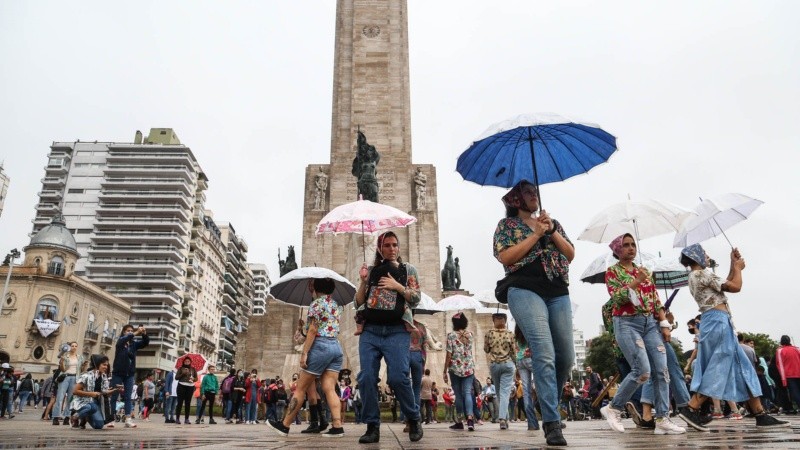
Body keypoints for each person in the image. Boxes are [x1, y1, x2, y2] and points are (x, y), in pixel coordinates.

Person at [492, 180, 574, 446]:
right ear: (516, 200)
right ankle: (551, 422)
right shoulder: (507, 226)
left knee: (566, 357)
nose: (533, 196)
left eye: (534, 192)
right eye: (527, 192)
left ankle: (546, 399)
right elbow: (506, 258)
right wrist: (535, 234)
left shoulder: (552, 223)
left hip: (557, 290)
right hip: (524, 288)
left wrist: (551, 231)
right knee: (544, 350)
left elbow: (570, 254)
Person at [676, 244, 788, 430]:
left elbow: (725, 282)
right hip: (718, 322)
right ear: (695, 257)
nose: (707, 255)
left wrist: (732, 264)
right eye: (704, 253)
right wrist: (738, 268)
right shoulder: (701, 274)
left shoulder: (697, 276)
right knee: (718, 367)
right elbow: (735, 286)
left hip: (717, 322)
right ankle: (691, 408)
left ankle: (759, 413)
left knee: (745, 367)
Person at [601, 233, 685, 435]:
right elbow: (617, 299)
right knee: (642, 370)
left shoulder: (643, 271)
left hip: (649, 323)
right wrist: (635, 282)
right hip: (627, 323)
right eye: (626, 245)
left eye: (633, 245)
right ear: (617, 250)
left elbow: (655, 299)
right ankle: (614, 407)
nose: (631, 248)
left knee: (661, 370)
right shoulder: (612, 272)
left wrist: (664, 322)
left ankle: (663, 417)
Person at [353, 231, 423, 444]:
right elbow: (358, 303)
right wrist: (363, 282)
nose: (392, 249)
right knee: (366, 378)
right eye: (387, 245)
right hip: (371, 331)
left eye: (395, 245)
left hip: (396, 330)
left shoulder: (408, 269)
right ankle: (372, 426)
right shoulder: (372, 271)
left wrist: (397, 286)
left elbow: (416, 298)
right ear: (379, 248)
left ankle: (413, 417)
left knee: (398, 378)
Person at [267, 277, 345, 438]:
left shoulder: (316, 304)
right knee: (329, 388)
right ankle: (337, 426)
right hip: (335, 347)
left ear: (315, 287)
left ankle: (285, 425)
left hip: (320, 346)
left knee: (301, 387)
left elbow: (313, 330)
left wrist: (305, 353)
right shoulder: (335, 304)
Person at [109, 324, 149, 428]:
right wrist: (135, 333)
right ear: (123, 332)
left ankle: (128, 419)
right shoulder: (120, 342)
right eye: (128, 330)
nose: (130, 332)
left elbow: (145, 343)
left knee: (128, 397)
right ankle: (111, 419)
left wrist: (144, 334)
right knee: (114, 396)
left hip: (129, 374)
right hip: (118, 373)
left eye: (131, 330)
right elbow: (125, 338)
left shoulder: (133, 345)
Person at [443, 312, 476, 431]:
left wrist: (444, 370)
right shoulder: (470, 335)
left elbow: (449, 354)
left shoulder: (451, 335)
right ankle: (470, 419)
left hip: (455, 368)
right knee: (467, 393)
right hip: (468, 368)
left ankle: (460, 421)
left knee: (458, 395)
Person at [484, 312, 517, 430]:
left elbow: (486, 349)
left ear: (493, 320)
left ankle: (504, 418)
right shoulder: (510, 334)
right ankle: (503, 419)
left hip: (494, 365)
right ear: (505, 320)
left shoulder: (489, 333)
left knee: (499, 393)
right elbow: (514, 352)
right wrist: (516, 365)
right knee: (504, 393)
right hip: (507, 364)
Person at [69, 354, 118, 430]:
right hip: (83, 402)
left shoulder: (103, 376)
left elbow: (103, 392)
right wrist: (90, 394)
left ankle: (85, 417)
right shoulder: (86, 376)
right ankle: (74, 417)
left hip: (96, 402)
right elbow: (75, 391)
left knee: (99, 425)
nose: (106, 367)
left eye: (107, 365)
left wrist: (112, 391)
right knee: (92, 407)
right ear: (97, 364)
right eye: (104, 365)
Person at [515, 325, 540, 430]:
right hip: (530, 358)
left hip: (520, 361)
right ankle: (551, 418)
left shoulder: (516, 334)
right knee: (542, 385)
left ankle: (532, 423)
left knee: (526, 392)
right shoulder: (529, 328)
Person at [53, 342, 84, 425]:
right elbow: (62, 369)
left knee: (70, 399)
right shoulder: (65, 356)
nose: (74, 347)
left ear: (77, 347)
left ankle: (67, 417)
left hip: (75, 378)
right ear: (70, 347)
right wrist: (61, 362)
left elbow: (81, 369)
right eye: (72, 346)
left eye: (75, 346)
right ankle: (56, 417)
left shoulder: (80, 357)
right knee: (60, 397)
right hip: (65, 377)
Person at [175, 356, 197, 425]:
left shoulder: (193, 369)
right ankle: (177, 418)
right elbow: (176, 378)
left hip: (190, 386)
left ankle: (186, 419)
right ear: (183, 362)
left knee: (188, 403)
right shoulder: (181, 368)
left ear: (190, 362)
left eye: (188, 361)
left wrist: (193, 379)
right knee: (180, 403)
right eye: (185, 361)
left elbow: (196, 379)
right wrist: (183, 373)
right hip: (181, 385)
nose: (187, 362)